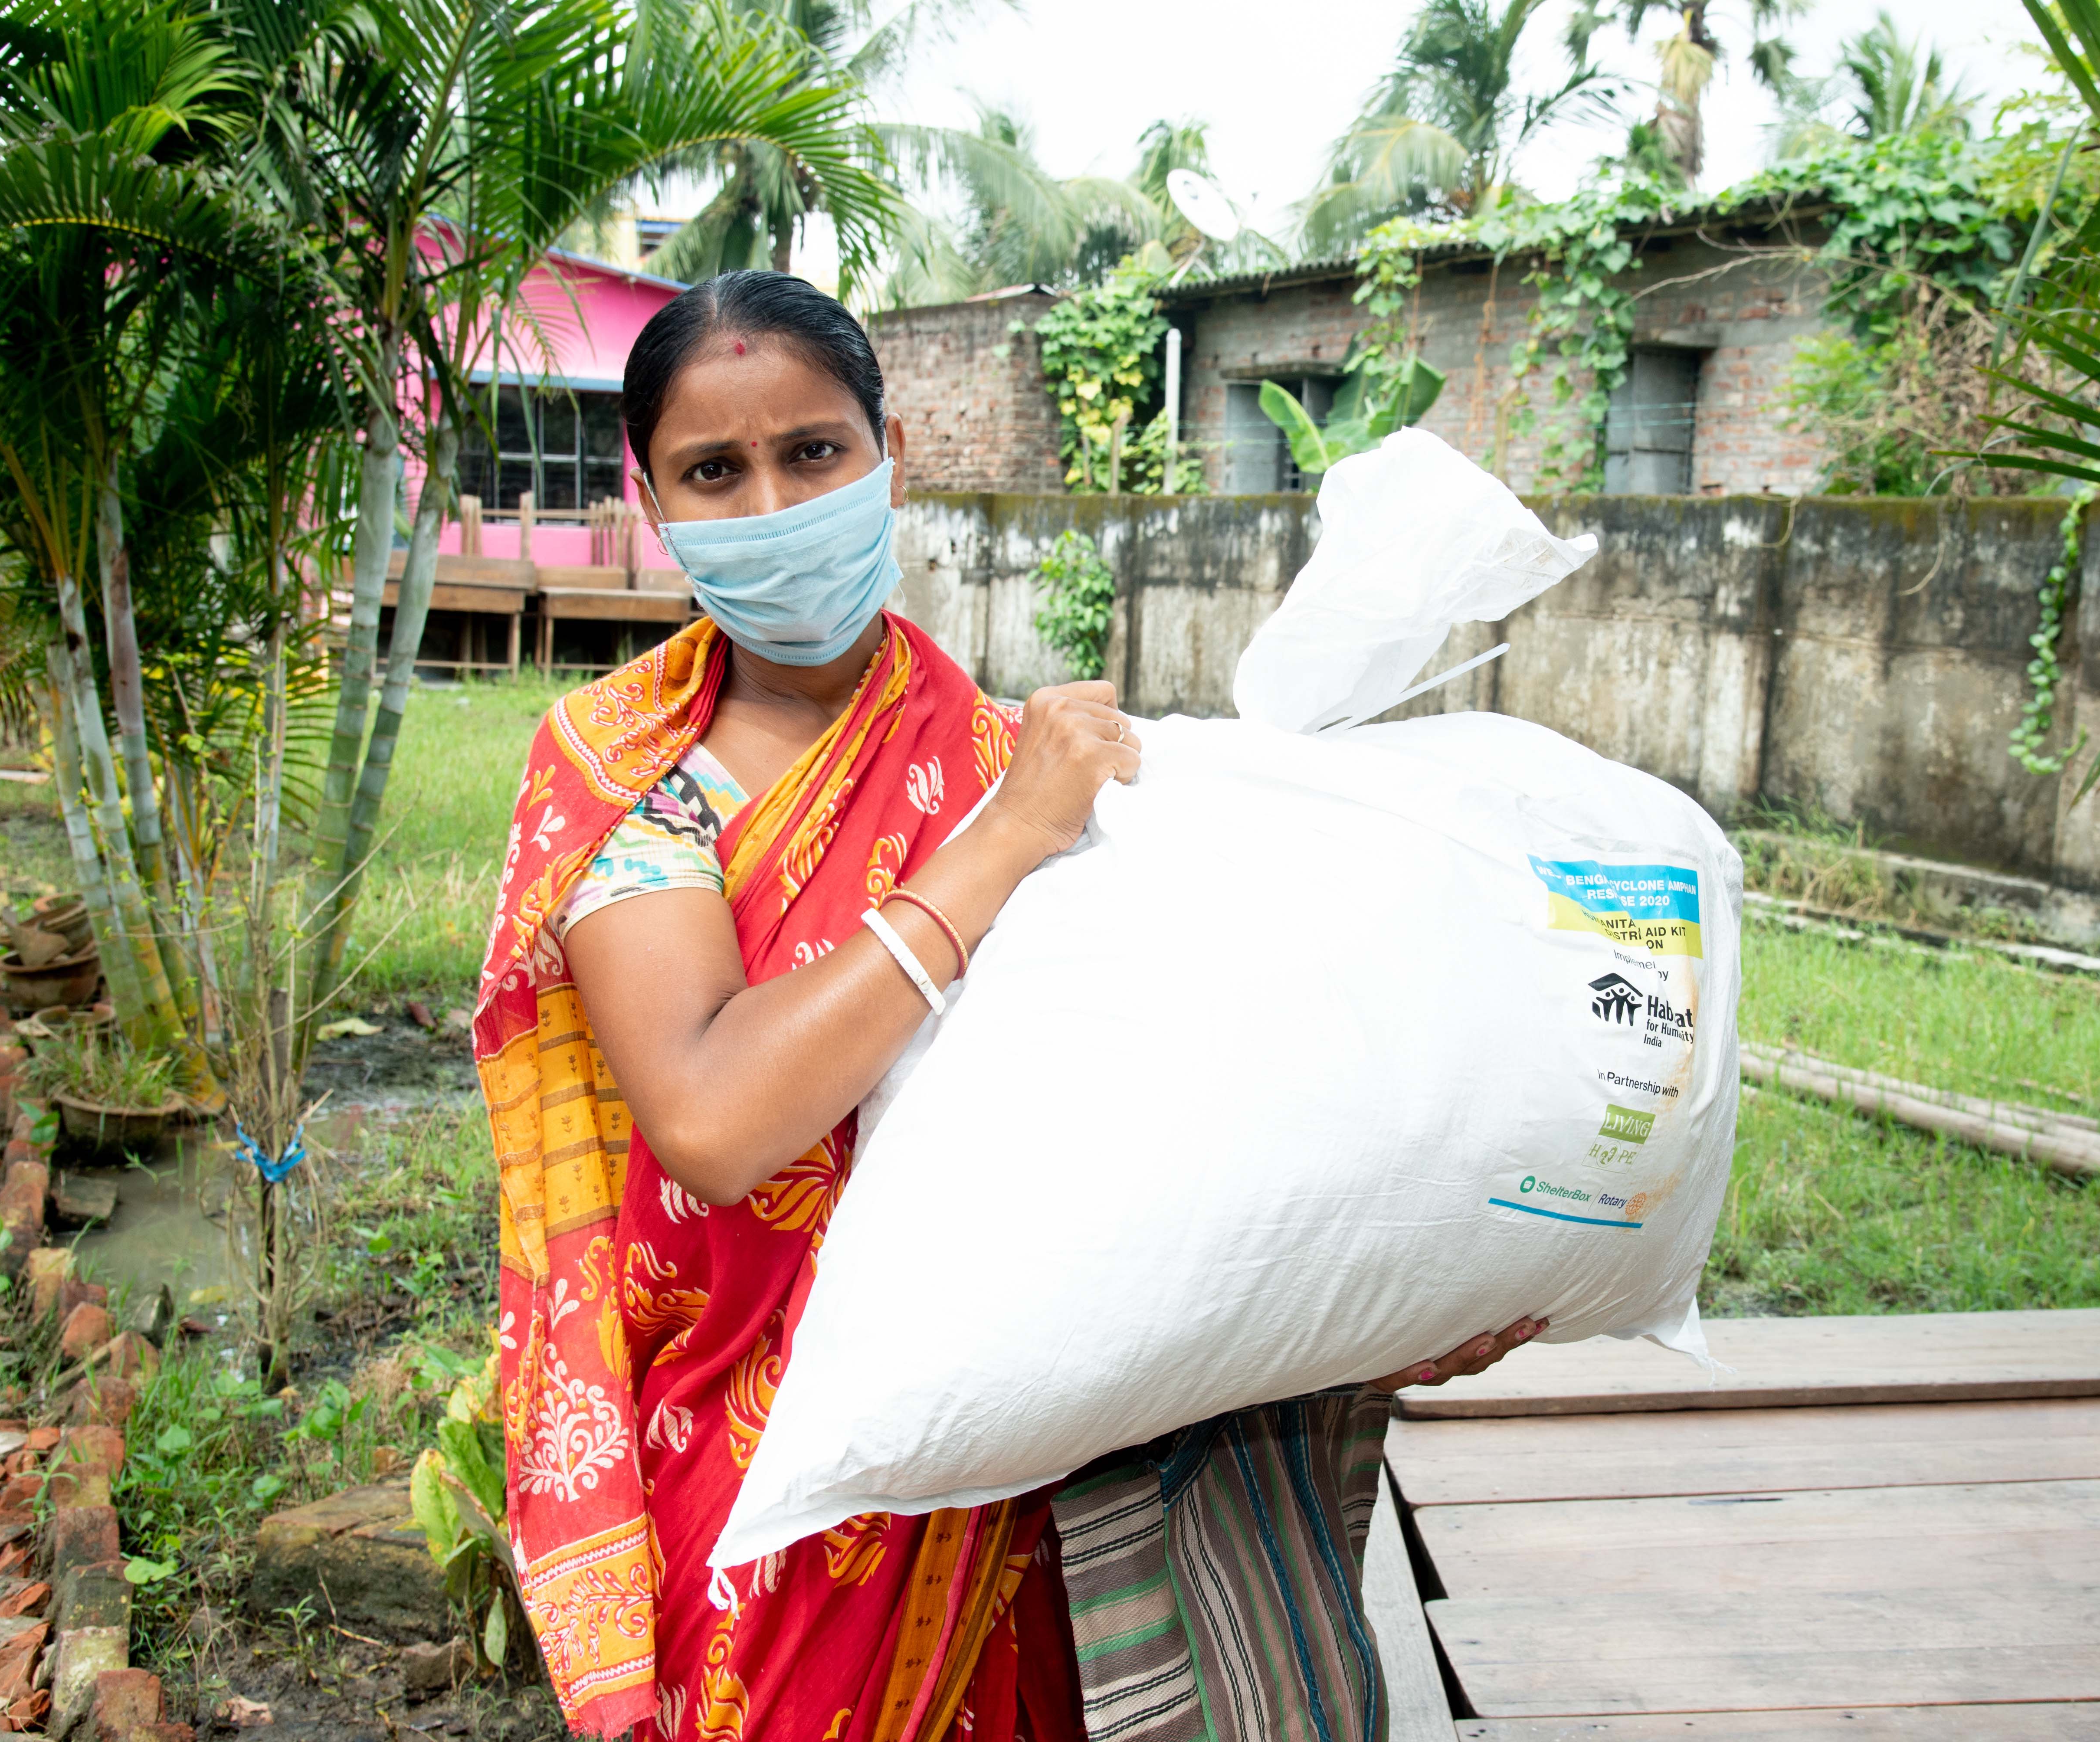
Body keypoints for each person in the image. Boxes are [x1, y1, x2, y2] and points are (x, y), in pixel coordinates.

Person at [476, 270, 1541, 1742]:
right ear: (647, 494)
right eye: (714, 472)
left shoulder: (1003, 757)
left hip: (1005, 1483)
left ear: (886, 452)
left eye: (814, 452)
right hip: (750, 1483)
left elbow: (1196, 1135)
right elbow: (716, 1121)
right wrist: (1005, 844)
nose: (774, 503)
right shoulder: (623, 774)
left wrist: (1415, 1293)